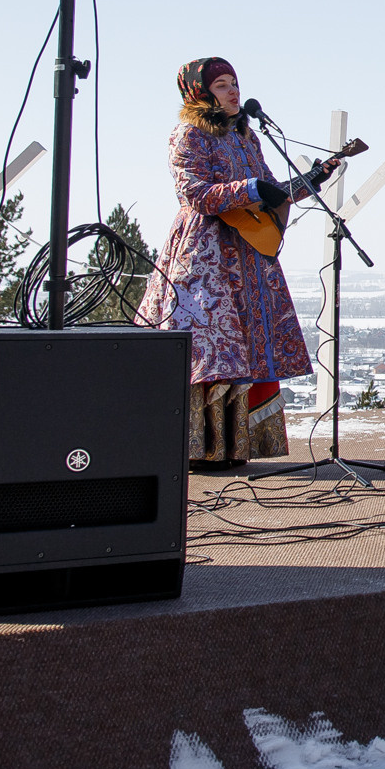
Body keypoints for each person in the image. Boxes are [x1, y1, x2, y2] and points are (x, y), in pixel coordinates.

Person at [136, 57, 326, 468]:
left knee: (249, 348)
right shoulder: (188, 133)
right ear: (200, 92)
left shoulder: (247, 135)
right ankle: (201, 448)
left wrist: (309, 182)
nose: (233, 91)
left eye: (234, 83)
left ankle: (236, 446)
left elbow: (269, 192)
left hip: (248, 254)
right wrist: (249, 188)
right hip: (205, 256)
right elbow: (195, 193)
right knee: (213, 348)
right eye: (221, 85)